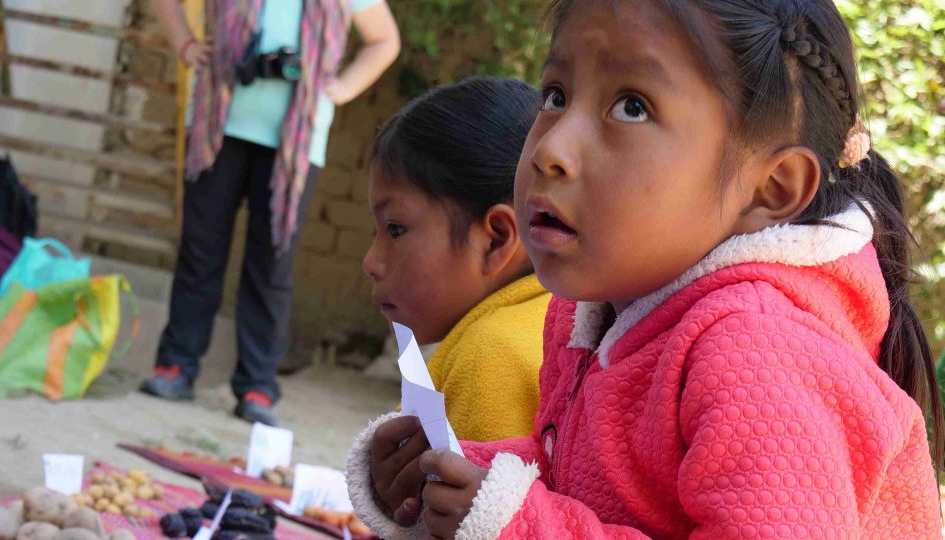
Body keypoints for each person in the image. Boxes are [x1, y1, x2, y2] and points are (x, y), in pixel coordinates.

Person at [345, 0, 944, 537]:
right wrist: (452, 472)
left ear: (771, 188)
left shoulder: (759, 349)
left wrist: (518, 523)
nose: (551, 148)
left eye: (631, 107)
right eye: (555, 94)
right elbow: (584, 479)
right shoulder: (592, 318)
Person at [141, 0, 400, 426]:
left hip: (296, 145)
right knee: (200, 249)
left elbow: (384, 40)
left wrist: (340, 89)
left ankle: (257, 387)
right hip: (215, 126)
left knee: (271, 264)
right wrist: (185, 45)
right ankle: (175, 367)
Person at [362, 77, 549, 442]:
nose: (371, 262)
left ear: (495, 240)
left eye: (395, 229)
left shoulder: (491, 358)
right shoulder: (552, 325)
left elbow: (474, 501)